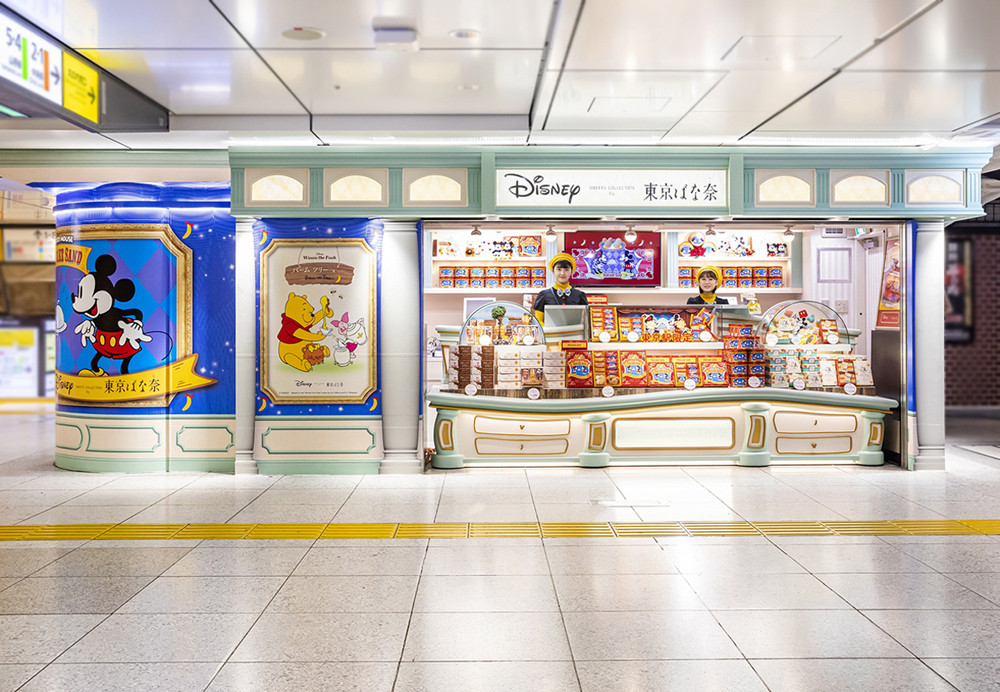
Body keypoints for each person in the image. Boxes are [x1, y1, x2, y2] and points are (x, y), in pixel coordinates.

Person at [533, 253, 588, 325]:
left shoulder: (579, 295)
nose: (562, 273)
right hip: (550, 335)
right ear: (553, 271)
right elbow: (538, 321)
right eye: (559, 269)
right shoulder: (543, 295)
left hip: (575, 334)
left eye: (566, 269)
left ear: (571, 271)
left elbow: (586, 321)